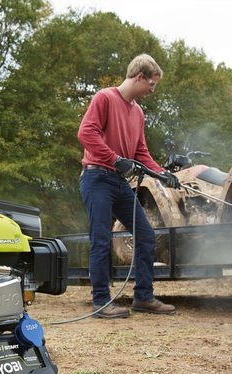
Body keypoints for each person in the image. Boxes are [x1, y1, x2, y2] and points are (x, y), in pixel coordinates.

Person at [78, 53, 179, 318]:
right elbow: (85, 133)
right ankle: (101, 302)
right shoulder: (105, 98)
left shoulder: (138, 113)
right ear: (139, 77)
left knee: (146, 235)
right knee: (101, 239)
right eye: (152, 84)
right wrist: (115, 159)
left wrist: (162, 174)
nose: (152, 90)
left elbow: (141, 153)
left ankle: (143, 297)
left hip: (119, 182)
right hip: (97, 177)